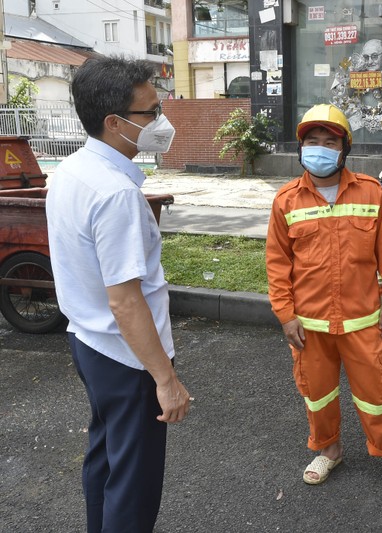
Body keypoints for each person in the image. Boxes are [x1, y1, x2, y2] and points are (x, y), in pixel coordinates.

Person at [46, 56, 190, 533]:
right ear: (115, 122)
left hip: (89, 342)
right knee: (134, 483)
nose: (160, 122)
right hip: (128, 360)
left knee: (106, 460)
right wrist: (165, 380)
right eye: (151, 112)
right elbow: (125, 300)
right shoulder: (114, 193)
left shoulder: (71, 171)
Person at [265, 103, 382, 502]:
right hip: (309, 324)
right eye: (311, 141)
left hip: (362, 321)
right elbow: (277, 263)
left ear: (343, 148)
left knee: (377, 393)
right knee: (318, 394)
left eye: (328, 141)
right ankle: (328, 450)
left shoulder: (370, 191)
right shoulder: (286, 200)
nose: (319, 148)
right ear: (301, 148)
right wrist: (284, 314)